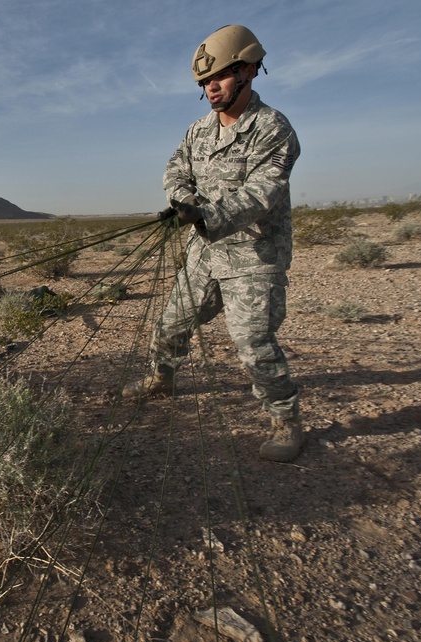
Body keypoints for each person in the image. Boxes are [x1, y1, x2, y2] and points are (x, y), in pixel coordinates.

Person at [122, 25, 303, 462]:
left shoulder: (273, 128)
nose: (210, 89)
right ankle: (161, 378)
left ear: (249, 71)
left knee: (252, 342)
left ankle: (286, 422)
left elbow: (263, 192)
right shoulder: (197, 131)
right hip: (205, 251)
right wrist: (183, 201)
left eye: (218, 77)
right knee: (171, 323)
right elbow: (175, 171)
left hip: (255, 255)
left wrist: (206, 215)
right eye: (204, 82)